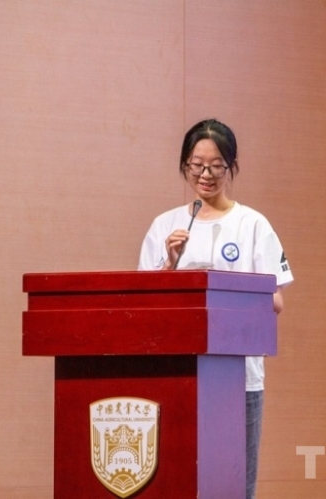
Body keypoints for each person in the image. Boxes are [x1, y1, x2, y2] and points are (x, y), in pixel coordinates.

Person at [137, 118, 293, 499]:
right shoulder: (164, 226)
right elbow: (144, 303)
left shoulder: (252, 224)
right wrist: (169, 265)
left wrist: (226, 292)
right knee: (178, 481)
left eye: (216, 166)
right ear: (185, 164)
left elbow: (275, 300)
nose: (205, 175)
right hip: (177, 375)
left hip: (239, 378)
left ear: (231, 166)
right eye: (197, 165)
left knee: (235, 485)